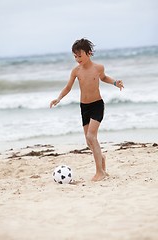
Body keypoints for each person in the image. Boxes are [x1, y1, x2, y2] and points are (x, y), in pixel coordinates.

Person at [50, 38, 124, 181]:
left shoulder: (98, 68)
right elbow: (68, 87)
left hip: (97, 105)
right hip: (84, 107)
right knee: (89, 142)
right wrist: (58, 98)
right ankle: (101, 158)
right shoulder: (76, 71)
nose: (77, 59)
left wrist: (115, 82)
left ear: (89, 53)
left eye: (80, 55)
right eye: (75, 56)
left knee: (91, 137)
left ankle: (100, 172)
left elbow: (103, 78)